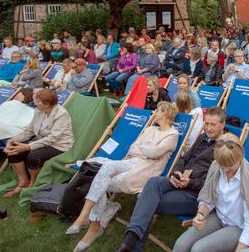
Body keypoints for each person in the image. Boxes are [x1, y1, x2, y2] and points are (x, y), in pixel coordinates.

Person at [67, 102, 179, 252]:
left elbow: (155, 153)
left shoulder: (172, 135)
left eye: (158, 110)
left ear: (165, 114)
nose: (154, 112)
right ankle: (86, 216)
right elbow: (133, 148)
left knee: (101, 181)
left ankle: (93, 226)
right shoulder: (151, 129)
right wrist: (147, 151)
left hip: (145, 171)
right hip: (132, 162)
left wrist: (145, 150)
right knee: (106, 168)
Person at [116, 107, 226, 252]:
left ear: (222, 125)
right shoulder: (202, 137)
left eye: (213, 125)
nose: (209, 128)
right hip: (180, 181)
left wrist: (190, 182)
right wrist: (176, 174)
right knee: (154, 182)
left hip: (196, 195)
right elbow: (184, 158)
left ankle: (131, 243)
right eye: (206, 124)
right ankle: (131, 243)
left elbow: (214, 183)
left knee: (146, 199)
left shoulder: (224, 147)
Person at [172, 133, 249, 252]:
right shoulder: (215, 167)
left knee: (199, 249)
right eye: (222, 166)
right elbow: (208, 196)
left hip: (238, 227)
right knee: (181, 244)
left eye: (230, 167)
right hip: (218, 218)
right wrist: (200, 214)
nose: (225, 171)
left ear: (240, 157)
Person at [3, 89, 74, 198]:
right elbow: (29, 131)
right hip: (42, 142)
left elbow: (52, 138)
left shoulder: (61, 114)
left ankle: (33, 183)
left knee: (33, 156)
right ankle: (23, 182)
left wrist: (27, 147)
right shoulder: (39, 111)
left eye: (38, 101)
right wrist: (13, 140)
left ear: (46, 104)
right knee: (13, 149)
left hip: (59, 145)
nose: (35, 102)